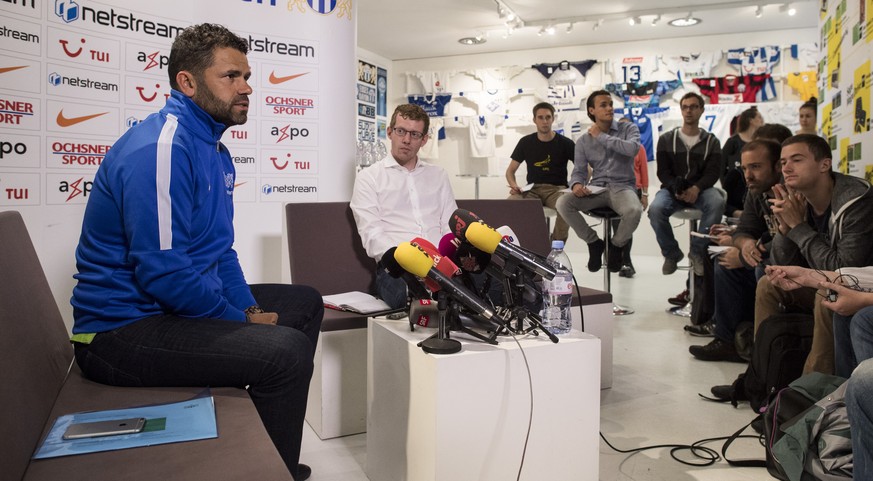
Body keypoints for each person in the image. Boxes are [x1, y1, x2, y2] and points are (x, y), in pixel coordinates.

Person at [68, 24, 321, 481]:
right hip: (119, 332)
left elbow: (219, 252)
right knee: (284, 351)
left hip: (166, 310)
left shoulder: (214, 149)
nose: (246, 88)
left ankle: (272, 464)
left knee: (303, 302)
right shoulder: (163, 148)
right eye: (231, 77)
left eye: (247, 76)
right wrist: (242, 323)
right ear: (187, 82)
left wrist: (248, 307)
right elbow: (164, 274)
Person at [351, 103, 457, 309]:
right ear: (390, 132)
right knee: (407, 298)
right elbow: (372, 234)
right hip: (397, 267)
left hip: (441, 262)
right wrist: (408, 261)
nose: (407, 140)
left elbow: (449, 226)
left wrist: (446, 261)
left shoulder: (438, 175)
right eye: (401, 131)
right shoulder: (369, 177)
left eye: (415, 134)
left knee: (486, 286)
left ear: (424, 139)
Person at [687, 140, 782, 361]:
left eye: (756, 167)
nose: (747, 175)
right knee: (723, 260)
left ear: (777, 166)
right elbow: (745, 230)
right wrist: (744, 244)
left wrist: (744, 255)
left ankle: (760, 349)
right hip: (765, 254)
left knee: (757, 269)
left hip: (786, 262)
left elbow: (789, 242)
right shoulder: (756, 191)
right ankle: (727, 338)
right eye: (744, 168)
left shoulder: (790, 192)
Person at [555, 89, 643, 273]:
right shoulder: (583, 142)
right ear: (592, 110)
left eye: (610, 104)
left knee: (634, 210)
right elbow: (578, 171)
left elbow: (632, 149)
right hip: (598, 188)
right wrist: (577, 185)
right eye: (603, 105)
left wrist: (601, 136)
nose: (609, 108)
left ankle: (617, 246)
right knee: (563, 202)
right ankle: (594, 242)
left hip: (623, 187)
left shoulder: (629, 129)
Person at [648, 92, 724, 276]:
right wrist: (676, 188)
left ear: (701, 110)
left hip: (702, 190)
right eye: (685, 107)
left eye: (693, 107)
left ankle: (697, 251)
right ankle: (672, 253)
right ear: (681, 110)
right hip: (672, 190)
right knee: (655, 209)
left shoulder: (712, 141)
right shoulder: (666, 139)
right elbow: (663, 172)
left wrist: (696, 188)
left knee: (717, 202)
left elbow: (713, 172)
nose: (689, 111)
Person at [506, 102, 576, 242]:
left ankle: (556, 245)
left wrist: (576, 186)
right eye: (541, 117)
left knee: (568, 205)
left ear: (553, 119)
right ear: (534, 120)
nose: (544, 121)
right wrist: (514, 185)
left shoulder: (565, 143)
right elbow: (510, 171)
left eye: (548, 117)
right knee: (510, 203)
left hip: (557, 190)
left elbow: (585, 169)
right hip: (532, 189)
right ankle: (534, 243)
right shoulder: (525, 142)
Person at [721, 107, 764, 218]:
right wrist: (726, 183)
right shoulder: (733, 142)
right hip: (736, 190)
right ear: (751, 120)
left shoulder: (761, 142)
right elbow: (721, 164)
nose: (762, 120)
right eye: (759, 117)